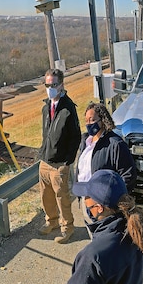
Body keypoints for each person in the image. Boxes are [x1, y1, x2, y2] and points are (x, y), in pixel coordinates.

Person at [76, 102, 137, 231]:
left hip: (105, 207)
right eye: (86, 120)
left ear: (103, 120)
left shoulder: (115, 144)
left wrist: (112, 200)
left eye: (92, 120)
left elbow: (128, 175)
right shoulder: (85, 141)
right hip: (86, 199)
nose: (89, 124)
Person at [38, 68, 82, 244]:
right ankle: (52, 221)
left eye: (53, 85)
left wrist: (68, 161)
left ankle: (67, 228)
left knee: (62, 197)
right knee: (46, 196)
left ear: (62, 84)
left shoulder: (68, 109)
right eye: (47, 85)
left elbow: (76, 136)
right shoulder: (46, 106)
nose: (50, 88)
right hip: (45, 160)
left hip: (61, 163)